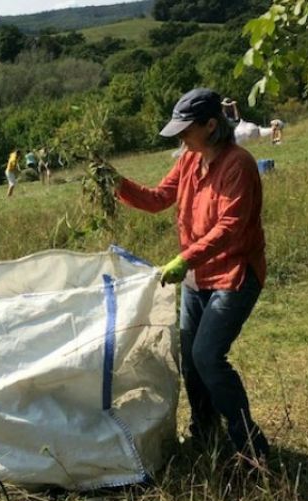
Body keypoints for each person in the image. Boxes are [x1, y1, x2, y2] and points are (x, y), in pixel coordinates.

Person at [111, 88, 270, 469]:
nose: (180, 136)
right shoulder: (188, 160)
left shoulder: (239, 164)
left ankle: (249, 445)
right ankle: (205, 434)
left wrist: (184, 258)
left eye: (186, 129)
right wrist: (114, 183)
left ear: (211, 125)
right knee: (190, 361)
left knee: (208, 356)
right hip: (198, 277)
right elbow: (156, 198)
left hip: (234, 274)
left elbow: (230, 227)